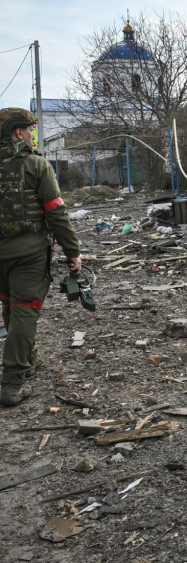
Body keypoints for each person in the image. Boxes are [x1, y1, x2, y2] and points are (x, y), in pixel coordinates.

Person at [0, 108, 82, 407]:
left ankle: (29, 358)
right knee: (24, 310)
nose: (33, 135)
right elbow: (56, 211)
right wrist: (73, 251)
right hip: (28, 254)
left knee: (10, 305)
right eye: (30, 130)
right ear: (17, 132)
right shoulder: (37, 165)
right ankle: (12, 383)